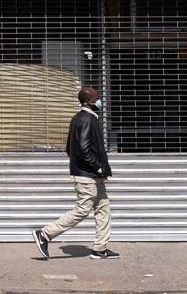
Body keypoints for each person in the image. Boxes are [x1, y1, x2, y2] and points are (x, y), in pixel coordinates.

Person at [32, 86, 119, 260]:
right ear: (89, 101)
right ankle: (45, 234)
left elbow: (69, 149)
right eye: (97, 97)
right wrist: (98, 167)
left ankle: (99, 248)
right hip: (88, 175)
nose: (100, 100)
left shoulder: (79, 118)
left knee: (103, 209)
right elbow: (84, 149)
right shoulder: (86, 119)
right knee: (82, 210)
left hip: (92, 175)